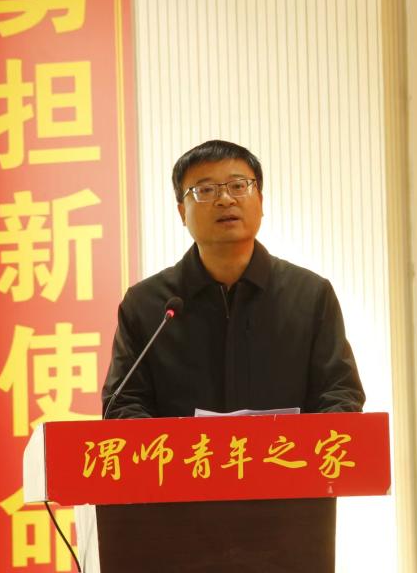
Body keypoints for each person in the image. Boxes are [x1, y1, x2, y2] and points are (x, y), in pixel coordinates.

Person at [102, 140, 365, 418]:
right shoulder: (146, 305)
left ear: (260, 201)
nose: (225, 199)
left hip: (288, 449)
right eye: (205, 190)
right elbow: (123, 404)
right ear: (182, 212)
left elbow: (340, 394)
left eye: (238, 186)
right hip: (185, 450)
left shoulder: (310, 295)